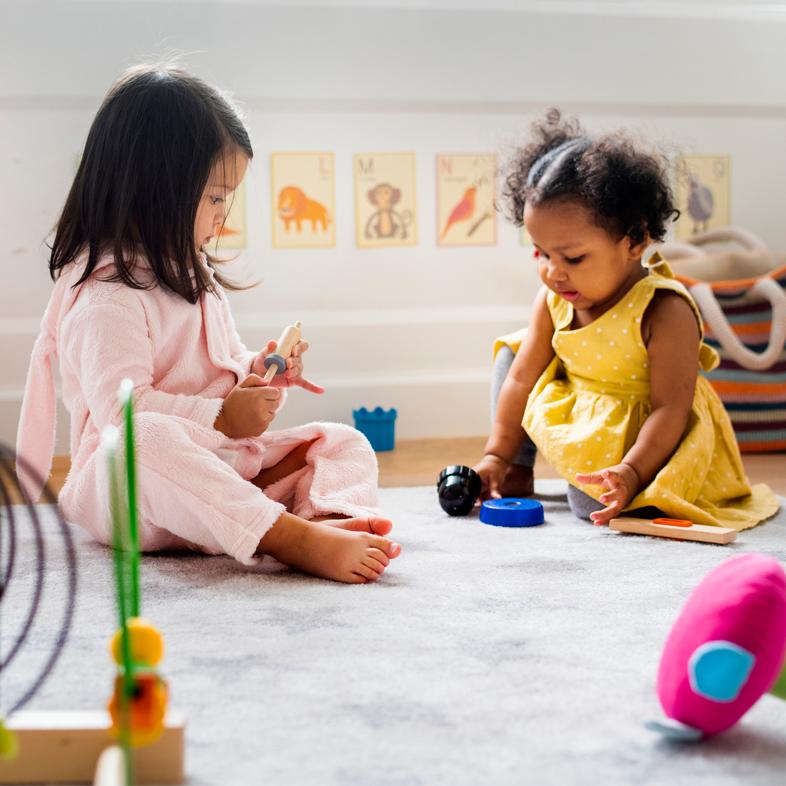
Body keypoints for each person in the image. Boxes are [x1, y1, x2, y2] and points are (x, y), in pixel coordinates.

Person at [16, 63, 401, 583]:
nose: (223, 214)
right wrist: (221, 418)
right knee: (140, 440)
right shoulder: (105, 299)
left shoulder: (192, 278)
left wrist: (260, 375)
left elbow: (221, 372)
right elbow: (122, 416)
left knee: (340, 442)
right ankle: (290, 537)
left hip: (216, 472)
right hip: (135, 496)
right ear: (156, 189)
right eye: (215, 197)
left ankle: (328, 515)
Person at [476, 110, 777, 529]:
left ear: (634, 240)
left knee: (589, 505)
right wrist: (496, 453)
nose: (553, 271)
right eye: (541, 253)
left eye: (573, 258)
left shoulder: (664, 309)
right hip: (582, 407)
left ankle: (621, 479)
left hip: (647, 431)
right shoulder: (553, 298)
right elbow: (523, 379)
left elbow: (671, 409)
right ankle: (514, 468)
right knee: (511, 356)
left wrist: (631, 471)